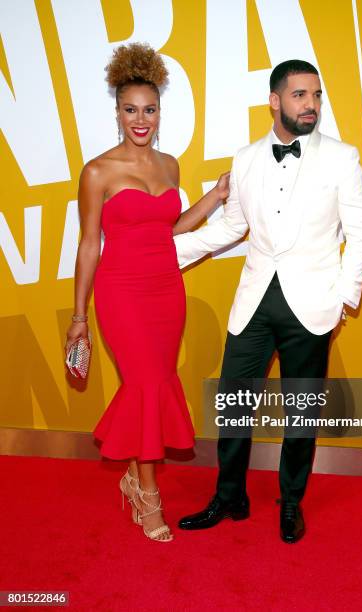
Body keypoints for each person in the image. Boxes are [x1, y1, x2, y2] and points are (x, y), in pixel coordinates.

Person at [174, 59, 362, 543]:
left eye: (317, 95)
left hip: (314, 303)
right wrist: (167, 251)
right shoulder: (245, 159)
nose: (311, 105)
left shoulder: (342, 157)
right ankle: (229, 496)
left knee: (301, 411)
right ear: (275, 100)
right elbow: (232, 226)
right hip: (255, 301)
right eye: (301, 95)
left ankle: (291, 501)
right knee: (234, 404)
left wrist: (343, 299)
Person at [64, 43, 229, 542]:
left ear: (160, 113)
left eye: (150, 110)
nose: (141, 120)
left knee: (154, 384)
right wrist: (79, 315)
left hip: (165, 290)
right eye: (131, 110)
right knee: (146, 386)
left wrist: (217, 196)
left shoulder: (171, 166)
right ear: (116, 111)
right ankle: (148, 495)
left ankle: (136, 480)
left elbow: (172, 228)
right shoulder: (98, 171)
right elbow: (90, 243)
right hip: (121, 293)